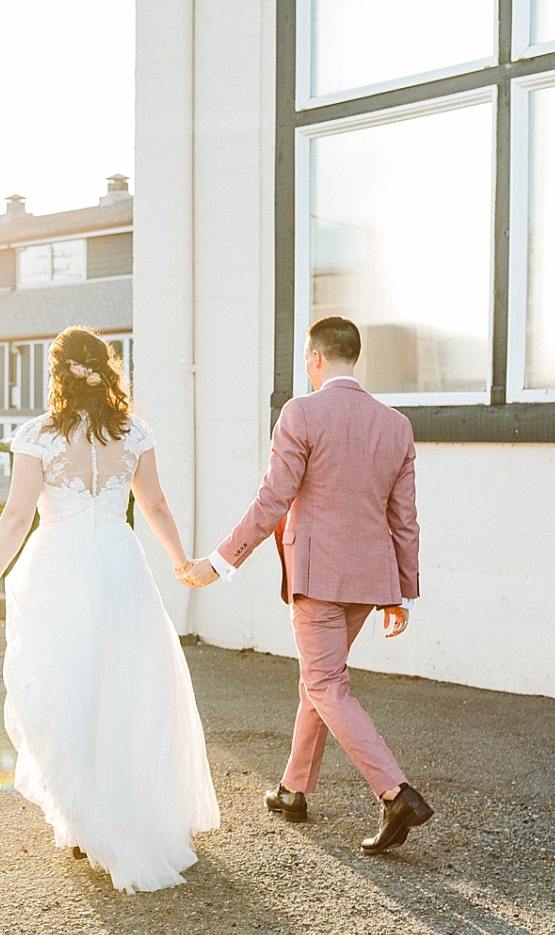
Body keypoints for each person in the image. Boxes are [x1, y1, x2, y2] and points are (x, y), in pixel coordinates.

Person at [0, 326, 219, 892]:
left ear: (57, 372)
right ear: (105, 368)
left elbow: (15, 518)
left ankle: (85, 821)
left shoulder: (38, 436)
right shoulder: (133, 431)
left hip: (58, 566)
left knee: (62, 688)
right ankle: (114, 812)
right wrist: (181, 560)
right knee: (123, 686)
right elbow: (153, 503)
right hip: (119, 565)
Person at [180, 315, 432, 854]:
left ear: (314, 358)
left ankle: (395, 793)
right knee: (319, 677)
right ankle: (294, 789)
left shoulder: (301, 412)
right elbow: (404, 518)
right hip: (370, 581)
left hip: (317, 577)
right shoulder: (396, 425)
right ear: (353, 358)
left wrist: (220, 563)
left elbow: (274, 499)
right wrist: (404, 593)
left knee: (325, 684)